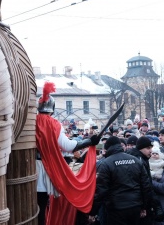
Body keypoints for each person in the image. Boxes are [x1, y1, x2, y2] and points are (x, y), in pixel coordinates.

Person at [35, 82, 100, 225]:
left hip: (25, 168)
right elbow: (68, 146)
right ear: (51, 108)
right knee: (41, 206)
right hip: (42, 168)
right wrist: (89, 141)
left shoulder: (31, 122)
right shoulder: (53, 123)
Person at [88, 136, 152, 225]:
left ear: (107, 148)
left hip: (116, 209)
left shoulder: (106, 164)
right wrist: (144, 206)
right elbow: (146, 186)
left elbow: (101, 191)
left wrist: (93, 212)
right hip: (135, 206)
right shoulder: (136, 161)